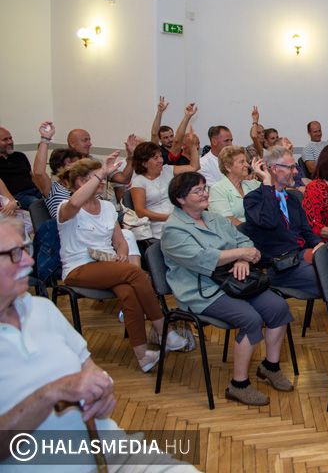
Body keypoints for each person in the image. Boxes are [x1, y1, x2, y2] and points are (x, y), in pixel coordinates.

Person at [0, 216, 197, 472]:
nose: (29, 260)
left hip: (110, 451)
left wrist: (102, 388)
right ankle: (161, 332)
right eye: (15, 253)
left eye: (25, 249)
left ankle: (155, 338)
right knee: (133, 275)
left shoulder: (41, 308)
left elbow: (89, 368)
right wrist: (49, 394)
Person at [160, 172, 294, 406]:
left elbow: (244, 240)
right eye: (198, 191)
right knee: (250, 319)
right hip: (201, 291)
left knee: (278, 307)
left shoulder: (213, 218)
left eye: (205, 188)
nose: (205, 194)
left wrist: (243, 259)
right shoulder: (174, 230)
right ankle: (238, 385)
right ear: (180, 198)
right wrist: (241, 254)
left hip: (235, 280)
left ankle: (270, 367)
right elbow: (203, 258)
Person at [242, 146, 328, 375]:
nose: (296, 172)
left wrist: (318, 246)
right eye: (290, 167)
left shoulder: (293, 199)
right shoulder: (253, 199)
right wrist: (266, 185)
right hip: (278, 267)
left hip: (302, 258)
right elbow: (268, 221)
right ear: (273, 169)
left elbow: (307, 231)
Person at [56, 156, 188, 372]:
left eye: (102, 177)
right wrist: (102, 171)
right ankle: (164, 330)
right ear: (80, 182)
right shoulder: (67, 207)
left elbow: (119, 241)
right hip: (78, 267)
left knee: (128, 292)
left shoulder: (107, 207)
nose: (102, 181)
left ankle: (143, 356)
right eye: (96, 178)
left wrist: (123, 254)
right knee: (136, 274)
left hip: (107, 265)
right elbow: (74, 203)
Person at [130, 136, 200, 239]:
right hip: (159, 224)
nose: (161, 160)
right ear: (144, 163)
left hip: (179, 218)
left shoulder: (167, 170)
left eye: (160, 156)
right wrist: (168, 217)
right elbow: (140, 211)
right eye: (155, 158)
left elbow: (194, 167)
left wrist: (193, 146)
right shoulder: (139, 181)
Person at [30, 121, 81, 217]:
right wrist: (45, 139)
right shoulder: (53, 188)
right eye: (69, 163)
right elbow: (38, 172)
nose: (73, 167)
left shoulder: (84, 185)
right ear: (58, 166)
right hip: (65, 224)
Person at [208, 145, 261, 225]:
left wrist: (262, 174)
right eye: (242, 162)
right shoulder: (218, 189)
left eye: (246, 161)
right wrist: (253, 230)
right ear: (228, 167)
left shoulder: (252, 184)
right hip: (235, 232)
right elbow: (227, 220)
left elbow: (273, 190)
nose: (247, 165)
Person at [0, 126, 43, 208]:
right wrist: (12, 201)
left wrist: (42, 190)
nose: (10, 142)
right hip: (18, 196)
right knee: (38, 205)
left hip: (34, 190)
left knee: (52, 201)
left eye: (10, 138)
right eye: (5, 139)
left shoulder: (20, 156)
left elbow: (32, 176)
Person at [150, 97, 197, 165]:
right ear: (160, 139)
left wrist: (187, 116)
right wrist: (159, 112)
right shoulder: (158, 152)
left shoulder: (182, 151)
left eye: (171, 136)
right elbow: (154, 134)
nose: (170, 139)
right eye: (166, 138)